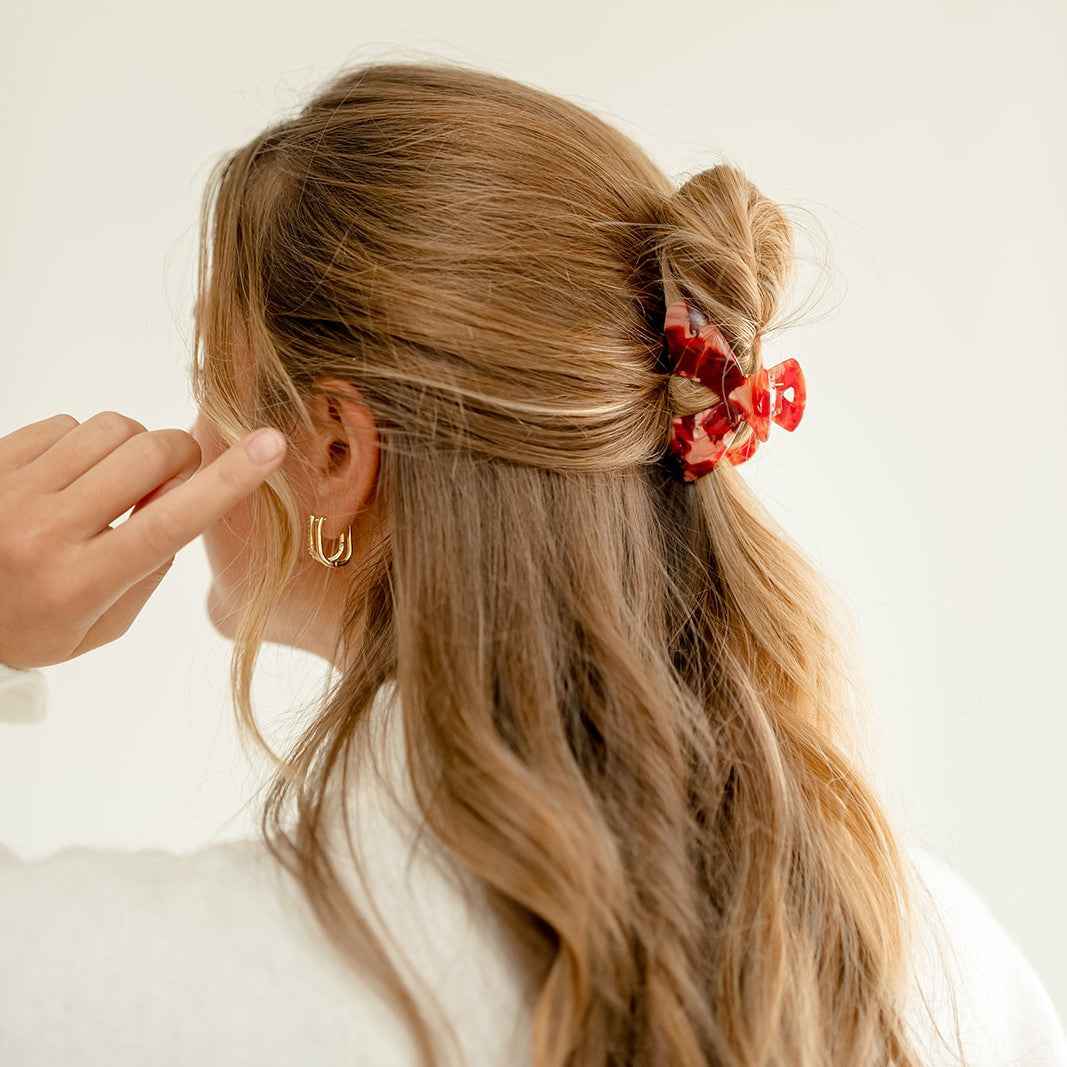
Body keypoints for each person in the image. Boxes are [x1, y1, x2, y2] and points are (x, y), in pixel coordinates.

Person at [0, 58, 1064, 1067]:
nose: (188, 433)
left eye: (207, 374)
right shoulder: (942, 960)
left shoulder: (127, 987)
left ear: (333, 452)